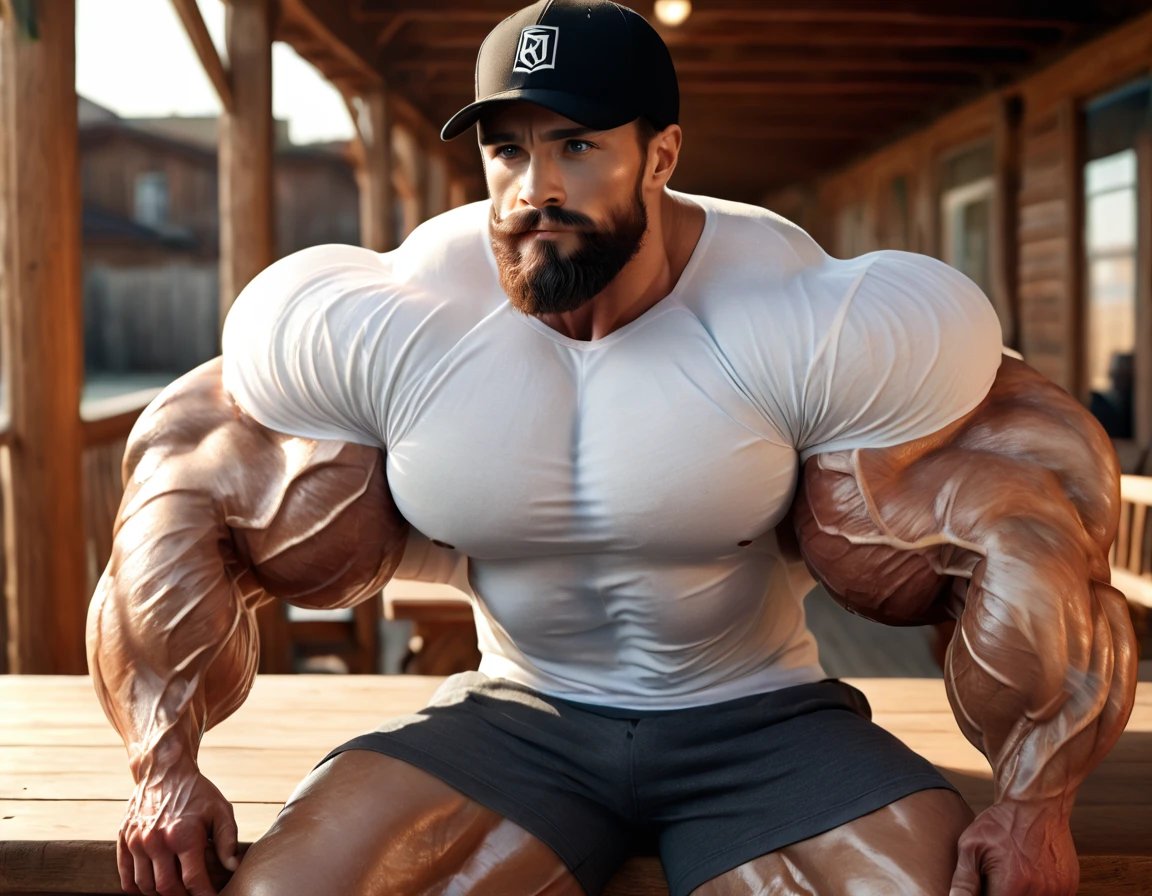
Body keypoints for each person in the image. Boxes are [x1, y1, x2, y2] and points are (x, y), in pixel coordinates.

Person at [86, 2, 1138, 895]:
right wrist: (165, 766)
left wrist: (1036, 796)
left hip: (761, 717)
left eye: (577, 144)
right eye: (508, 147)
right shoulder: (397, 315)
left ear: (662, 153)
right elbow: (181, 485)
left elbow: (1034, 501)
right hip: (513, 713)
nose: (531, 185)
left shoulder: (796, 310)